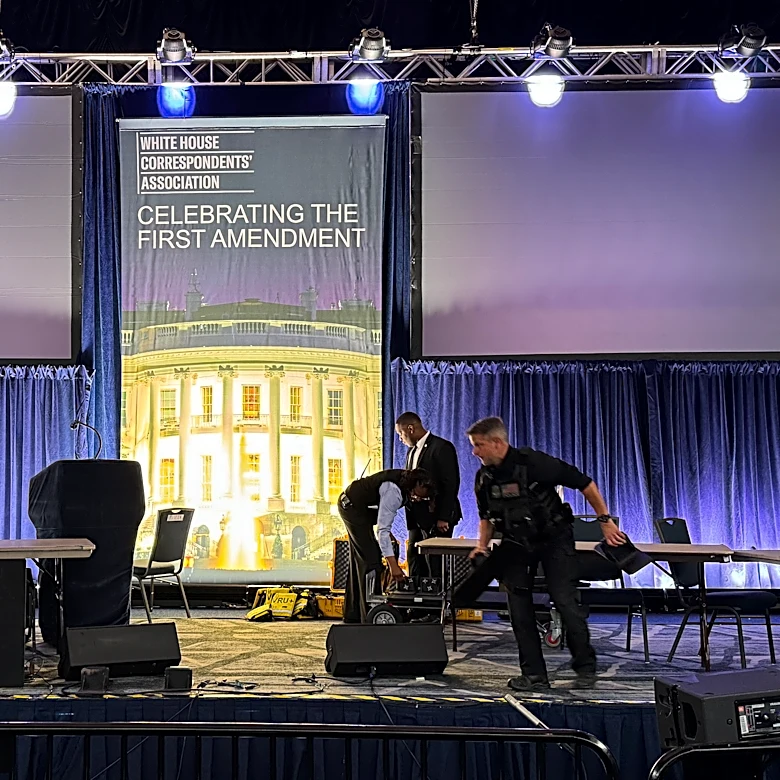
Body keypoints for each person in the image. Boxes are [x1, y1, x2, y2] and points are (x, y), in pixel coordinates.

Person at [466, 416, 625, 692]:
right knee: (519, 610)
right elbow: (486, 517)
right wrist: (481, 546)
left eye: (478, 445)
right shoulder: (484, 479)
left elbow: (585, 483)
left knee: (564, 599)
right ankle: (534, 675)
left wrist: (605, 520)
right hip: (516, 544)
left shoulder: (534, 463)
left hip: (554, 539)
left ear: (497, 442)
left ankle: (584, 663)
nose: (474, 452)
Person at [337, 468, 436, 623]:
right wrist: (393, 567)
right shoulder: (394, 491)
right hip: (352, 507)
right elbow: (382, 531)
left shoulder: (405, 486)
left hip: (360, 508)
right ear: (416, 484)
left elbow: (383, 517)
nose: (422, 497)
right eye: (423, 491)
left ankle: (353, 613)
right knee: (371, 560)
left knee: (360, 559)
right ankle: (369, 615)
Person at [395, 412, 462, 583]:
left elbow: (450, 483)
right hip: (416, 517)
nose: (400, 439)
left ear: (410, 429)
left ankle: (437, 602)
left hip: (437, 518)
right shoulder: (411, 452)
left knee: (435, 563)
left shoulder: (442, 447)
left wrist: (443, 517)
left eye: (401, 434)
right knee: (414, 559)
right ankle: (415, 600)